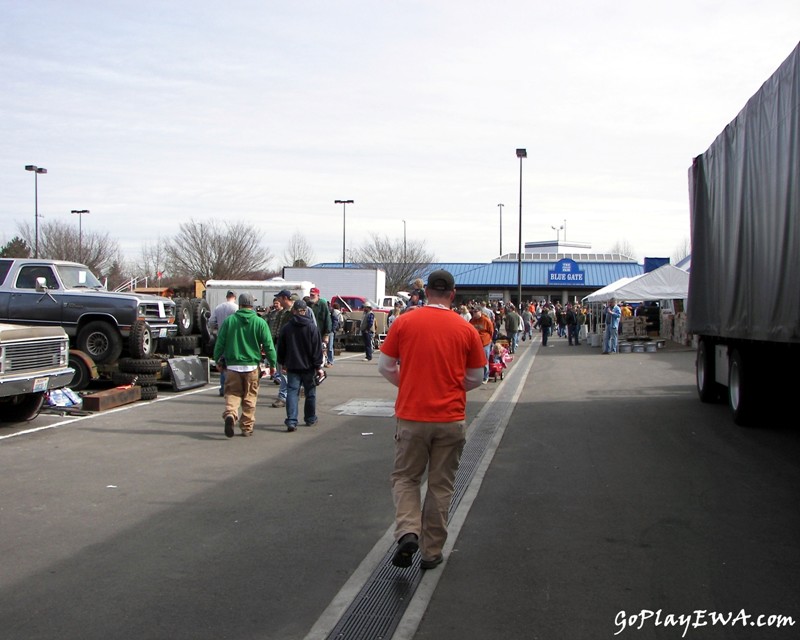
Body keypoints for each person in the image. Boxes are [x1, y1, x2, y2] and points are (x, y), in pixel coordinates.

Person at [378, 269, 485, 570]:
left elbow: (385, 367)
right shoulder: (466, 329)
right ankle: (431, 551)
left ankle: (409, 531)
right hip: (450, 417)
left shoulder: (405, 322)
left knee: (406, 478)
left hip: (412, 415)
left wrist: (410, 382)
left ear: (425, 293)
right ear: (453, 294)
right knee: (441, 485)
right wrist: (450, 385)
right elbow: (477, 376)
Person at [213, 293, 276, 437]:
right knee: (250, 397)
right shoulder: (260, 322)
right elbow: (268, 345)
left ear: (240, 305)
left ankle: (231, 414)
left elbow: (220, 342)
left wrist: (217, 359)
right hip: (252, 366)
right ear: (251, 305)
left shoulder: (229, 321)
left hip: (233, 366)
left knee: (232, 393)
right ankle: (246, 427)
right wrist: (272, 364)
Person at [277, 299, 325, 432]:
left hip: (292, 365)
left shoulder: (287, 327)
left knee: (292, 392)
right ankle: (310, 418)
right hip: (309, 366)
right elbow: (317, 349)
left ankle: (292, 420)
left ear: (293, 311)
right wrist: (318, 366)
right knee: (310, 393)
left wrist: (281, 362)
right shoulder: (311, 327)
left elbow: (281, 347)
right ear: (305, 311)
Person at [208, 290, 238, 396]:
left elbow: (211, 321)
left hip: (221, 337)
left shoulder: (219, 307)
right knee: (232, 364)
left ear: (227, 297)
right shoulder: (236, 308)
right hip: (234, 338)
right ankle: (231, 388)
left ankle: (222, 388)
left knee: (222, 363)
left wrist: (215, 330)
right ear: (234, 297)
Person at [271, 289, 296, 407]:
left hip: (290, 345)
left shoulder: (293, 312)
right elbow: (276, 329)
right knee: (282, 371)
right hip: (280, 344)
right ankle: (290, 394)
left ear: (285, 298)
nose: (278, 300)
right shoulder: (282, 312)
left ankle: (283, 397)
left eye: (279, 298)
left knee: (285, 371)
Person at [469, 307, 494, 383]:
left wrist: (489, 339)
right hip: (475, 342)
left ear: (480, 312)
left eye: (476, 312)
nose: (475, 314)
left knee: (485, 359)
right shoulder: (472, 321)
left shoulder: (486, 320)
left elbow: (491, 331)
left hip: (485, 342)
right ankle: (477, 375)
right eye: (474, 312)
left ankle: (485, 376)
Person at [308, 287, 332, 365]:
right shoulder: (308, 304)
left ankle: (319, 365)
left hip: (320, 332)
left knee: (320, 350)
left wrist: (326, 334)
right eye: (310, 295)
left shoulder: (322, 304)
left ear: (318, 295)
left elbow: (327, 320)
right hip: (309, 332)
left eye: (313, 295)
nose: (311, 296)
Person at [327, 302, 343, 366]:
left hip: (330, 331)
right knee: (329, 347)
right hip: (330, 331)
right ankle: (329, 360)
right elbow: (340, 320)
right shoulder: (336, 312)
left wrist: (332, 329)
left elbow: (335, 320)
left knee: (329, 347)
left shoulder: (332, 311)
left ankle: (330, 360)